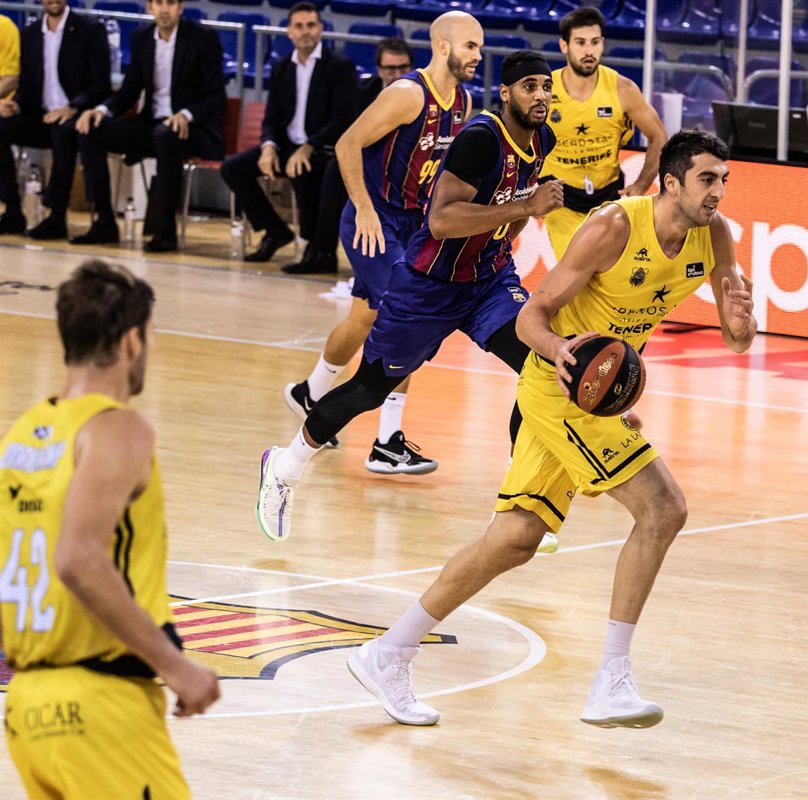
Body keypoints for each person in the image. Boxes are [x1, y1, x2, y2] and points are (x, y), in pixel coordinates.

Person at [342, 130, 756, 728]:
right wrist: (564, 354)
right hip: (559, 385)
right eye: (707, 179)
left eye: (724, 180)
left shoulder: (714, 235)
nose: (718, 192)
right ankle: (611, 680)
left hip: (590, 395)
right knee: (663, 508)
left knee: (515, 538)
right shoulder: (614, 227)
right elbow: (531, 316)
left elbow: (737, 339)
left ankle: (388, 651)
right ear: (670, 182)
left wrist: (742, 324)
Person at [257, 50, 564, 542]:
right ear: (506, 93)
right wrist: (524, 207)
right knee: (369, 389)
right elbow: (441, 221)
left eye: (546, 87)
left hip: (488, 281)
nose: (541, 96)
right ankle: (285, 466)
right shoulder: (480, 140)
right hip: (428, 286)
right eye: (530, 87)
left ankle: (519, 501)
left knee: (538, 367)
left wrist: (515, 228)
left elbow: (517, 206)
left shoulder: (543, 139)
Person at [1, 260, 221, 798]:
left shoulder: (23, 435)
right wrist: (175, 666)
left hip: (26, 710)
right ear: (131, 341)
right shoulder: (117, 427)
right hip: (100, 706)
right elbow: (77, 559)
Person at [281, 14, 477, 474]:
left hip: (413, 223)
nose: (478, 55)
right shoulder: (408, 94)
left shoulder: (463, 101)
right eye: (471, 46)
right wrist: (365, 210)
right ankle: (387, 443)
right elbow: (347, 144)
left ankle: (310, 392)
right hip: (374, 219)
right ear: (443, 46)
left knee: (364, 317)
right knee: (408, 315)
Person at [74, 0, 225, 252]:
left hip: (193, 129)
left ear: (180, 8)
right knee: (92, 130)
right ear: (149, 8)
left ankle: (166, 229)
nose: (164, 9)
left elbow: (215, 96)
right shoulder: (141, 38)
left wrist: (186, 114)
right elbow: (129, 92)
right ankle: (104, 221)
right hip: (152, 125)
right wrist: (100, 110)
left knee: (166, 135)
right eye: (158, 3)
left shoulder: (202, 38)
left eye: (170, 3)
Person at [221, 2, 357, 268]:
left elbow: (343, 119)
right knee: (233, 168)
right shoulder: (282, 67)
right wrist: (268, 146)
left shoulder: (340, 67)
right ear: (289, 32)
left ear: (320, 29)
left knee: (303, 169)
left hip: (322, 149)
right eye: (299, 26)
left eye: (311, 25)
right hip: (286, 146)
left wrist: (308, 146)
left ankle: (317, 250)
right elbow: (271, 118)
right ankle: (275, 231)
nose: (305, 31)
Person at [541, 6, 668, 260]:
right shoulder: (545, 90)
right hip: (562, 201)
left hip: (608, 198)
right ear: (564, 46)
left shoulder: (622, 89)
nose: (589, 51)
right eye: (580, 43)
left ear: (603, 44)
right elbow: (518, 139)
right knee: (575, 272)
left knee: (610, 275)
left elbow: (659, 137)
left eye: (595, 42)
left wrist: (641, 185)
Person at [289, 36, 415, 276]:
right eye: (390, 69)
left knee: (335, 170)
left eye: (403, 68)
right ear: (379, 69)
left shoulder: (420, 94)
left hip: (407, 163)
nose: (398, 74)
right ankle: (320, 250)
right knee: (321, 169)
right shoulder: (365, 91)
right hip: (371, 159)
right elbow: (350, 134)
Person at [0, 0, 109, 239]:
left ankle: (57, 216)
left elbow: (101, 85)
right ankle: (12, 210)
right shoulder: (30, 34)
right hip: (41, 116)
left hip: (76, 114)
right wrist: (16, 104)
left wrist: (72, 107)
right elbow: (27, 85)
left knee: (63, 130)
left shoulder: (90, 29)